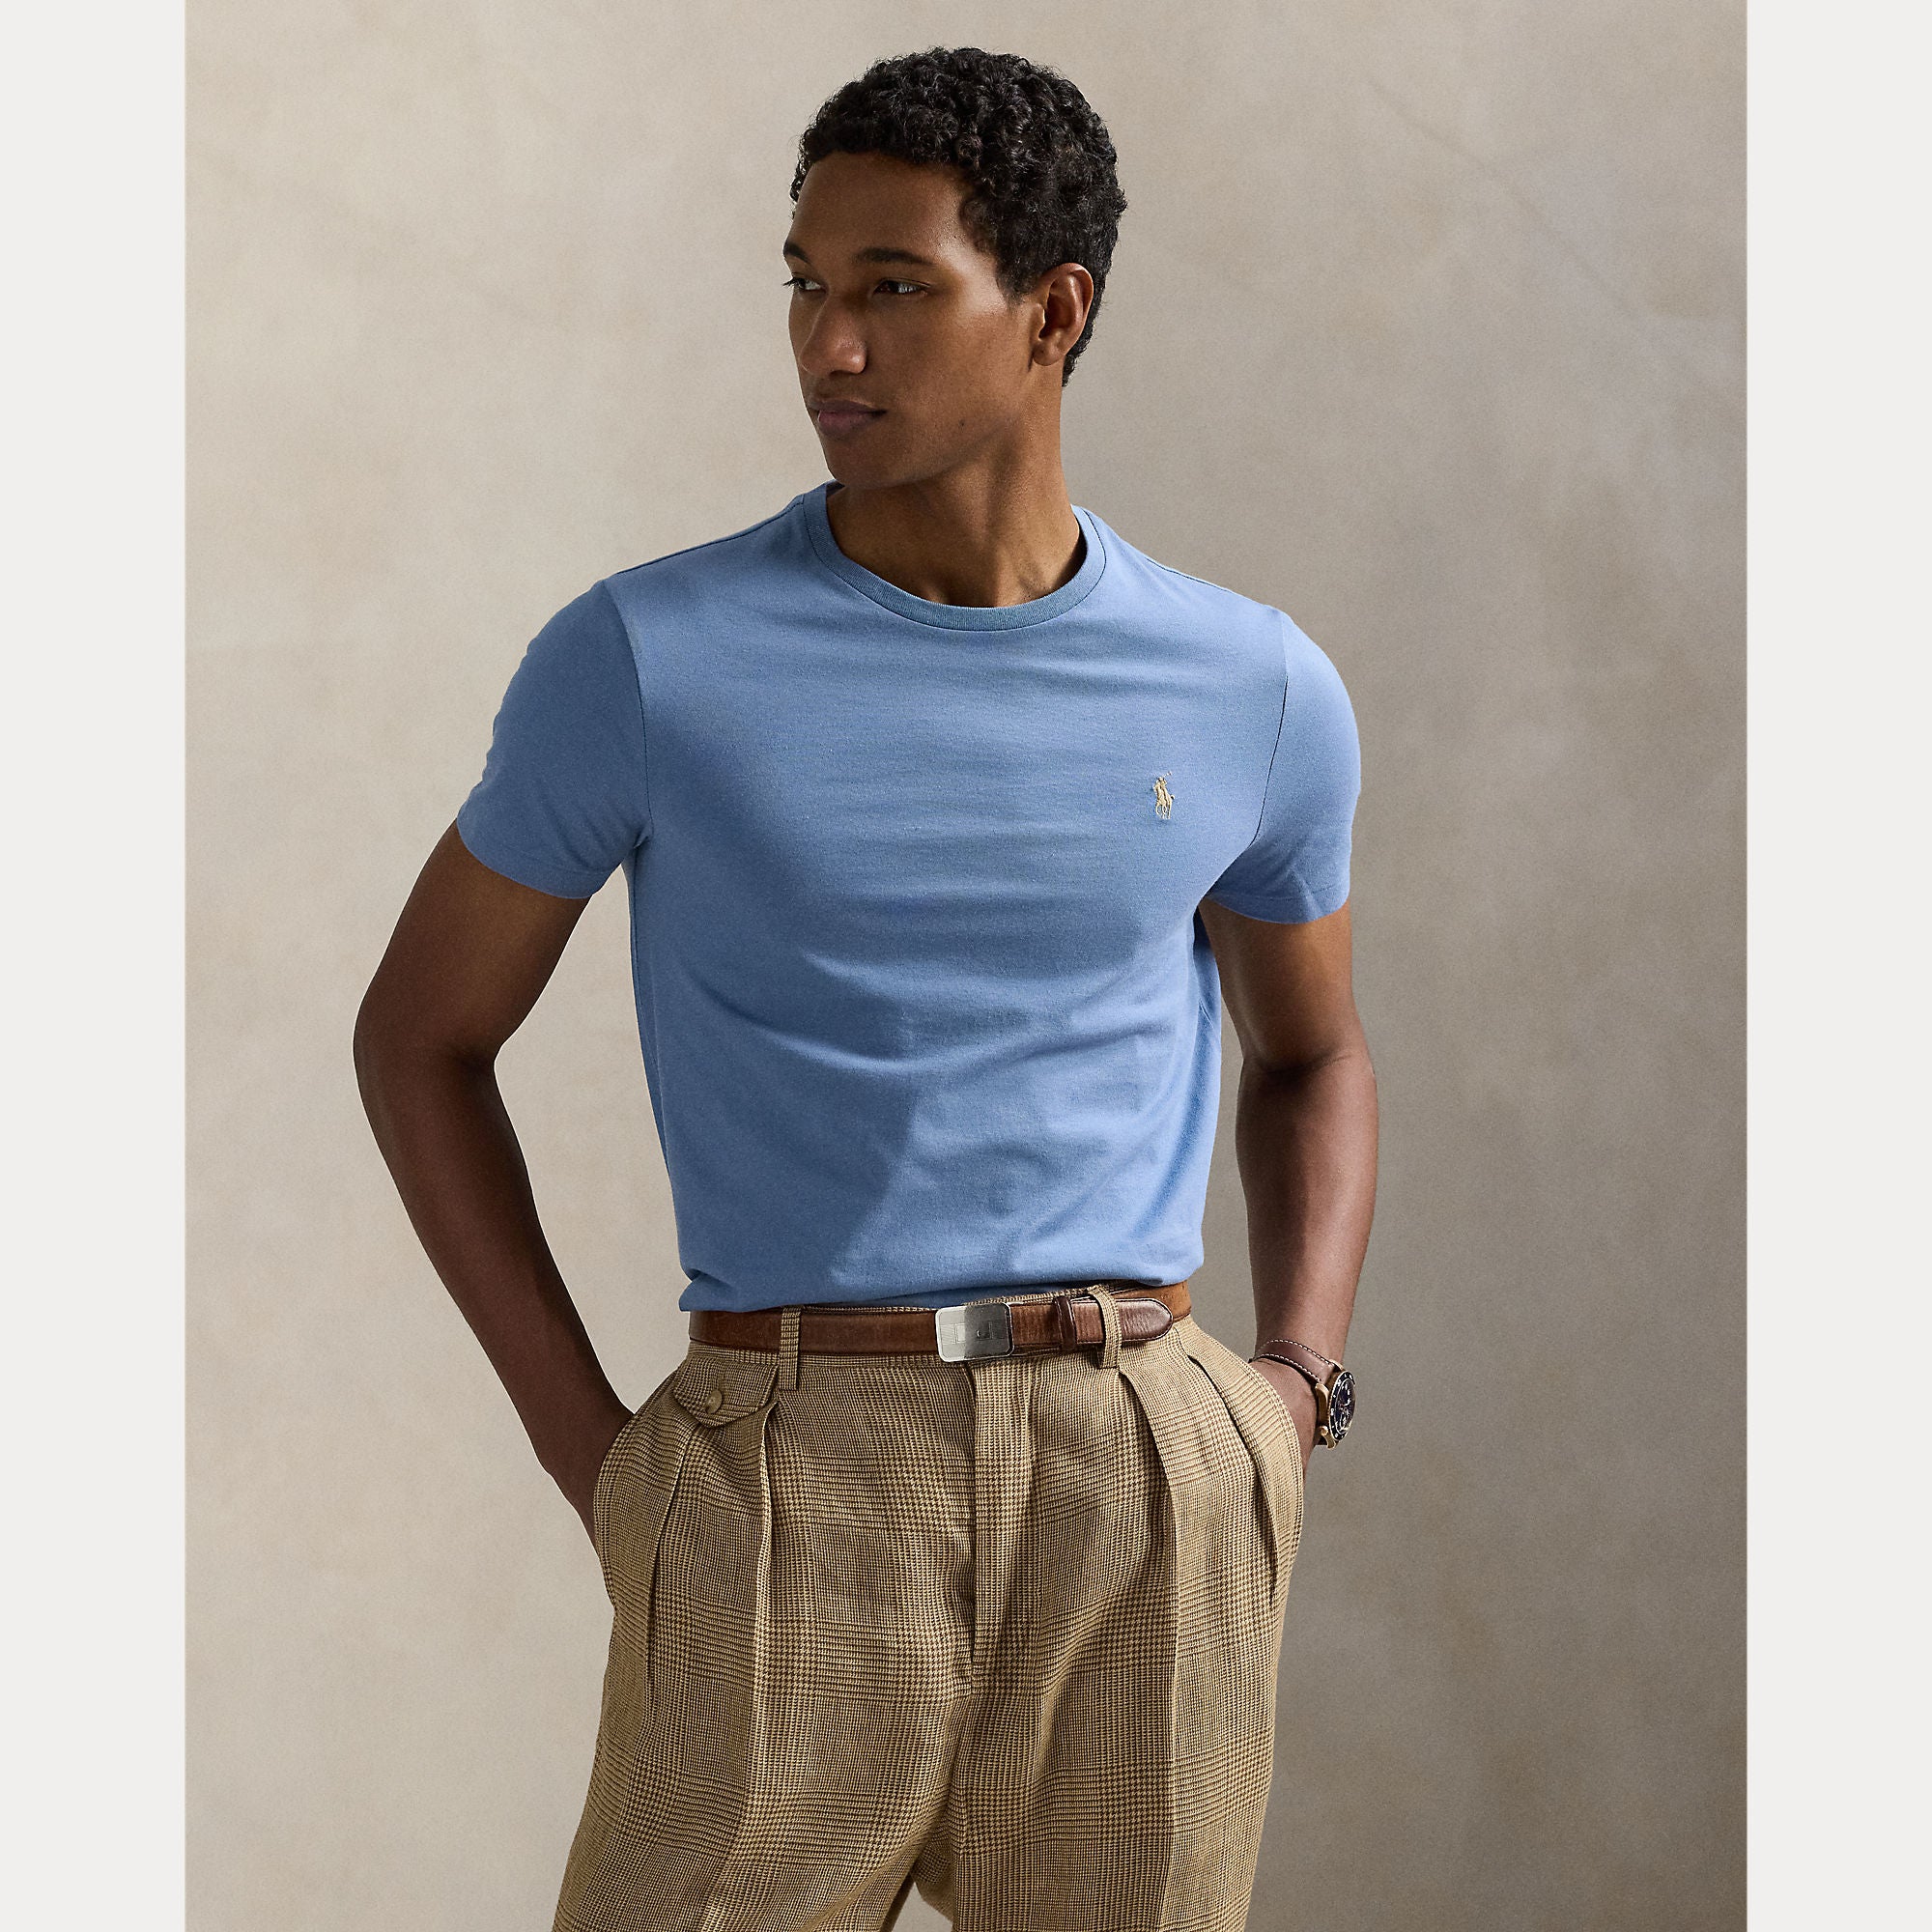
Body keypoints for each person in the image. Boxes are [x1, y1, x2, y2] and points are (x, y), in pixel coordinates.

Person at [354, 43, 1377, 1932]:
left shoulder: (1251, 686)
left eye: (894, 287)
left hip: (1141, 1477)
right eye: (807, 284)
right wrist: (606, 1466)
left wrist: (1286, 1401)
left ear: (1053, 312)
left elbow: (1309, 1055)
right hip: (789, 1471)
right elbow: (422, 1038)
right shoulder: (648, 658)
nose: (829, 344)